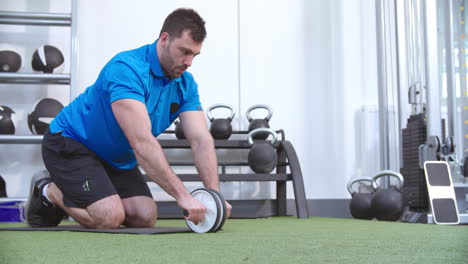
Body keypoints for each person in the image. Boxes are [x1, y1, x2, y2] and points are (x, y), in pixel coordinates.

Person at [25, 8, 232, 229]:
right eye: (184, 52)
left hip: (115, 155)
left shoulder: (185, 84)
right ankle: (48, 190)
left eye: (194, 55)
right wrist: (183, 196)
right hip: (71, 142)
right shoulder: (127, 69)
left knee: (144, 217)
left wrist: (214, 196)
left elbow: (201, 140)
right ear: (164, 39)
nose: (189, 61)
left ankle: (82, 194)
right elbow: (141, 141)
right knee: (109, 217)